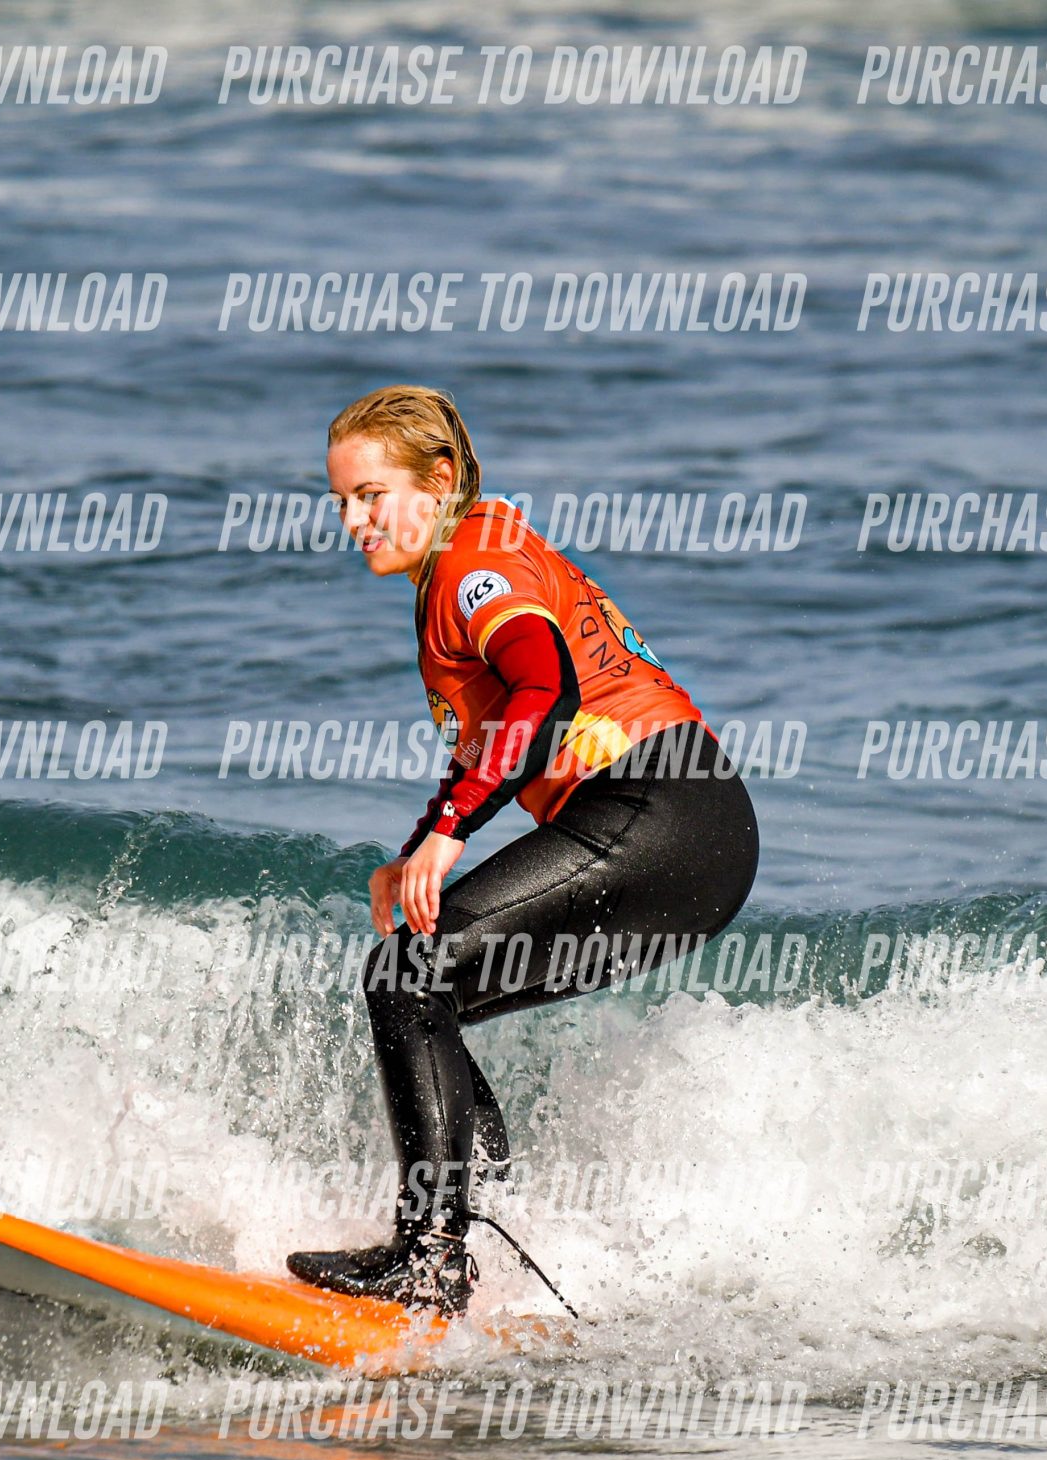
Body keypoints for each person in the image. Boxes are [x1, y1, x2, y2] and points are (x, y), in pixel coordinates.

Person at [286, 385, 760, 1314]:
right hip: (696, 830)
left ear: (440, 481)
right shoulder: (474, 558)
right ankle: (487, 1236)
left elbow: (543, 694)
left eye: (371, 495)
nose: (352, 520)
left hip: (657, 807)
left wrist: (450, 835)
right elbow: (495, 731)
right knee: (432, 992)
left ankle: (430, 1258)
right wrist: (419, 844)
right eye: (339, 501)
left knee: (406, 977)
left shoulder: (473, 561)